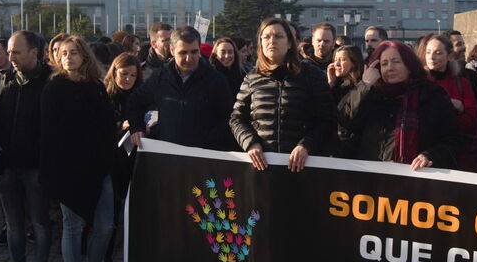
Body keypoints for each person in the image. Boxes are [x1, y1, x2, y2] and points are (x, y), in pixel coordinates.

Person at [40, 35, 118, 262]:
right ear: (57, 57)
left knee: (105, 225)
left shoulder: (96, 86)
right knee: (73, 227)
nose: (69, 57)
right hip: (69, 170)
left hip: (99, 167)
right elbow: (51, 134)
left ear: (84, 56)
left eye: (74, 52)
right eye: (63, 53)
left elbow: (107, 124)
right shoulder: (54, 89)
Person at [0, 31, 53, 262]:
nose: (10, 57)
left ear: (34, 52)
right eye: (9, 52)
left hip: (36, 166)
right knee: (13, 224)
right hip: (7, 165)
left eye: (16, 52)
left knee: (39, 222)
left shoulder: (50, 81)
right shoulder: (3, 79)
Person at [231, 17, 337, 171]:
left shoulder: (311, 75)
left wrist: (306, 145)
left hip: (304, 167)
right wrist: (250, 143)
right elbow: (236, 118)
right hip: (262, 167)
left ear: (289, 43)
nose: (271, 41)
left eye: (278, 36)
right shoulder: (252, 77)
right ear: (260, 43)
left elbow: (328, 118)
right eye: (266, 37)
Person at [338, 41, 462, 169]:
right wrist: (364, 85)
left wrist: (430, 156)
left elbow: (452, 139)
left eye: (396, 61)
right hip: (371, 178)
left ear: (409, 65)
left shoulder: (432, 95)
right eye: (384, 64)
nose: (390, 67)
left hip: (416, 179)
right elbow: (345, 121)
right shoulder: (370, 94)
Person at [128, 27, 234, 151]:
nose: (189, 58)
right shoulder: (160, 77)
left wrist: (210, 140)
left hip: (203, 157)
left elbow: (228, 118)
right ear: (172, 50)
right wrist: (137, 128)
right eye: (183, 53)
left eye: (194, 52)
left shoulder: (216, 80)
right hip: (167, 154)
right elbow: (135, 102)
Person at [103, 52, 143, 262]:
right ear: (114, 73)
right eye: (124, 74)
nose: (128, 79)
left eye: (133, 75)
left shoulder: (141, 96)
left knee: (134, 216)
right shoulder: (106, 96)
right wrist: (121, 126)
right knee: (111, 217)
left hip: (136, 163)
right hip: (112, 164)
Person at [417, 34, 477, 169]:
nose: (431, 57)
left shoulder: (461, 83)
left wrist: (458, 112)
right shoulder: (418, 83)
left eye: (438, 53)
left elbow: (472, 119)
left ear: (449, 55)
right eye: (428, 52)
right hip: (422, 152)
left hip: (453, 152)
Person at [209, 37, 245, 101]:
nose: (227, 56)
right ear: (216, 54)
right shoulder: (210, 77)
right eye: (223, 52)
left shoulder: (242, 75)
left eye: (230, 52)